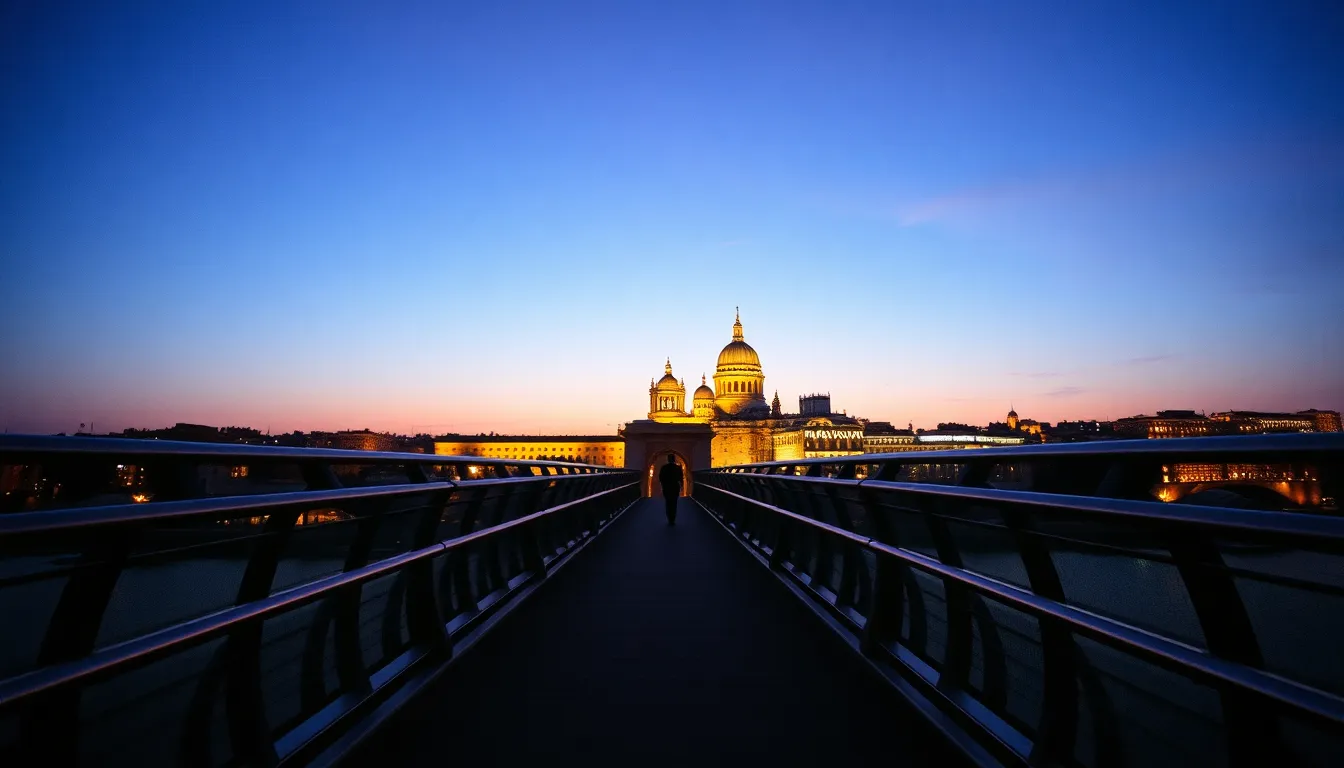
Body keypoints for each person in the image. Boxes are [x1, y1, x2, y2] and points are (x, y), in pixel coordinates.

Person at [657, 454, 683, 525]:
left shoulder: (664, 467)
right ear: (674, 459)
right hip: (675, 487)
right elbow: (681, 478)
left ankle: (669, 518)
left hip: (667, 487)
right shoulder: (677, 468)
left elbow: (660, 477)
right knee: (674, 503)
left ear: (668, 459)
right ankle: (673, 518)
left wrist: (662, 485)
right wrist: (681, 487)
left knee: (668, 502)